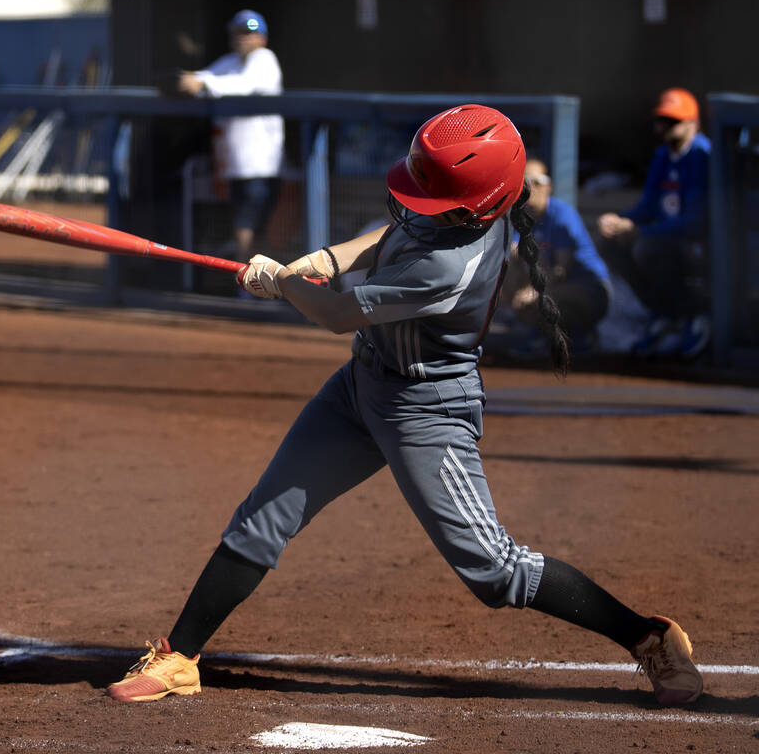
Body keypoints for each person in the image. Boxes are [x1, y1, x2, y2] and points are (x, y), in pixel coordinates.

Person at [106, 105, 702, 707]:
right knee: (263, 517)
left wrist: (281, 282)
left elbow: (338, 314)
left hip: (425, 411)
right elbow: (397, 233)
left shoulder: (451, 264)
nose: (419, 200)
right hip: (360, 387)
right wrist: (329, 259)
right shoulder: (465, 207)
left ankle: (646, 637)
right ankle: (180, 654)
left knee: (495, 571)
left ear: (478, 203)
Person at [596, 88, 712, 360]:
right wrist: (621, 221)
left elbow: (695, 222)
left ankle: (691, 313)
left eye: (673, 121)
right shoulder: (662, 156)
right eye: (662, 119)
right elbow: (649, 205)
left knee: (644, 248)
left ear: (692, 123)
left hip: (695, 243)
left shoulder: (701, 155)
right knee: (609, 243)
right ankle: (663, 312)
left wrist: (639, 232)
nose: (664, 126)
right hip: (661, 238)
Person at [178, 9, 284, 265]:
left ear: (263, 37)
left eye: (249, 32)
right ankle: (255, 286)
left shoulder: (265, 59)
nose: (243, 38)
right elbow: (207, 77)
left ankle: (249, 284)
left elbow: (244, 85)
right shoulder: (231, 62)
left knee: (249, 226)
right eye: (238, 32)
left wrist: (201, 84)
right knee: (249, 225)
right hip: (238, 163)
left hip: (263, 163)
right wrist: (188, 80)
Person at [504, 159, 611, 356]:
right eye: (525, 181)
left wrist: (532, 292)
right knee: (508, 272)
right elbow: (513, 253)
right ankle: (542, 334)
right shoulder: (521, 216)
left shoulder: (561, 215)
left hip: (590, 289)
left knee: (540, 297)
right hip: (554, 284)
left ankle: (580, 335)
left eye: (538, 181)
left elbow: (561, 270)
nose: (531, 187)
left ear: (549, 186)